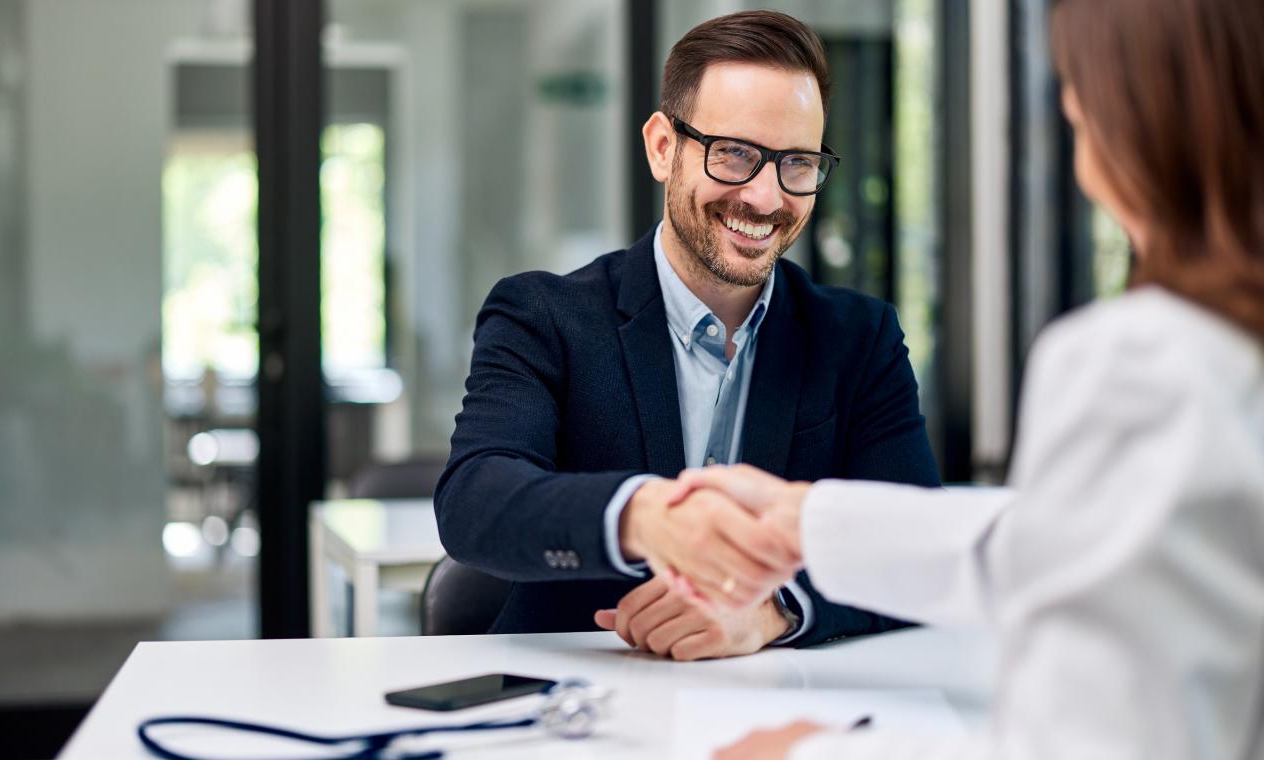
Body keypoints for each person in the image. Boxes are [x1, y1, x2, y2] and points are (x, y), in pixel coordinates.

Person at [681, 0, 1264, 755]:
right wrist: (805, 521)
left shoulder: (1142, 364)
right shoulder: (1223, 354)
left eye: (1077, 85)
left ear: (1137, 116)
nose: (1067, 105)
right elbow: (1075, 550)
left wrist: (812, 751)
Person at [433, 10, 940, 660]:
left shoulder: (857, 338)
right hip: (577, 713)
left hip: (782, 716)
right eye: (734, 154)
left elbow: (917, 546)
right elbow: (475, 501)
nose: (766, 196)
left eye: (798, 163)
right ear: (662, 147)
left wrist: (778, 610)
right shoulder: (543, 316)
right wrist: (645, 517)